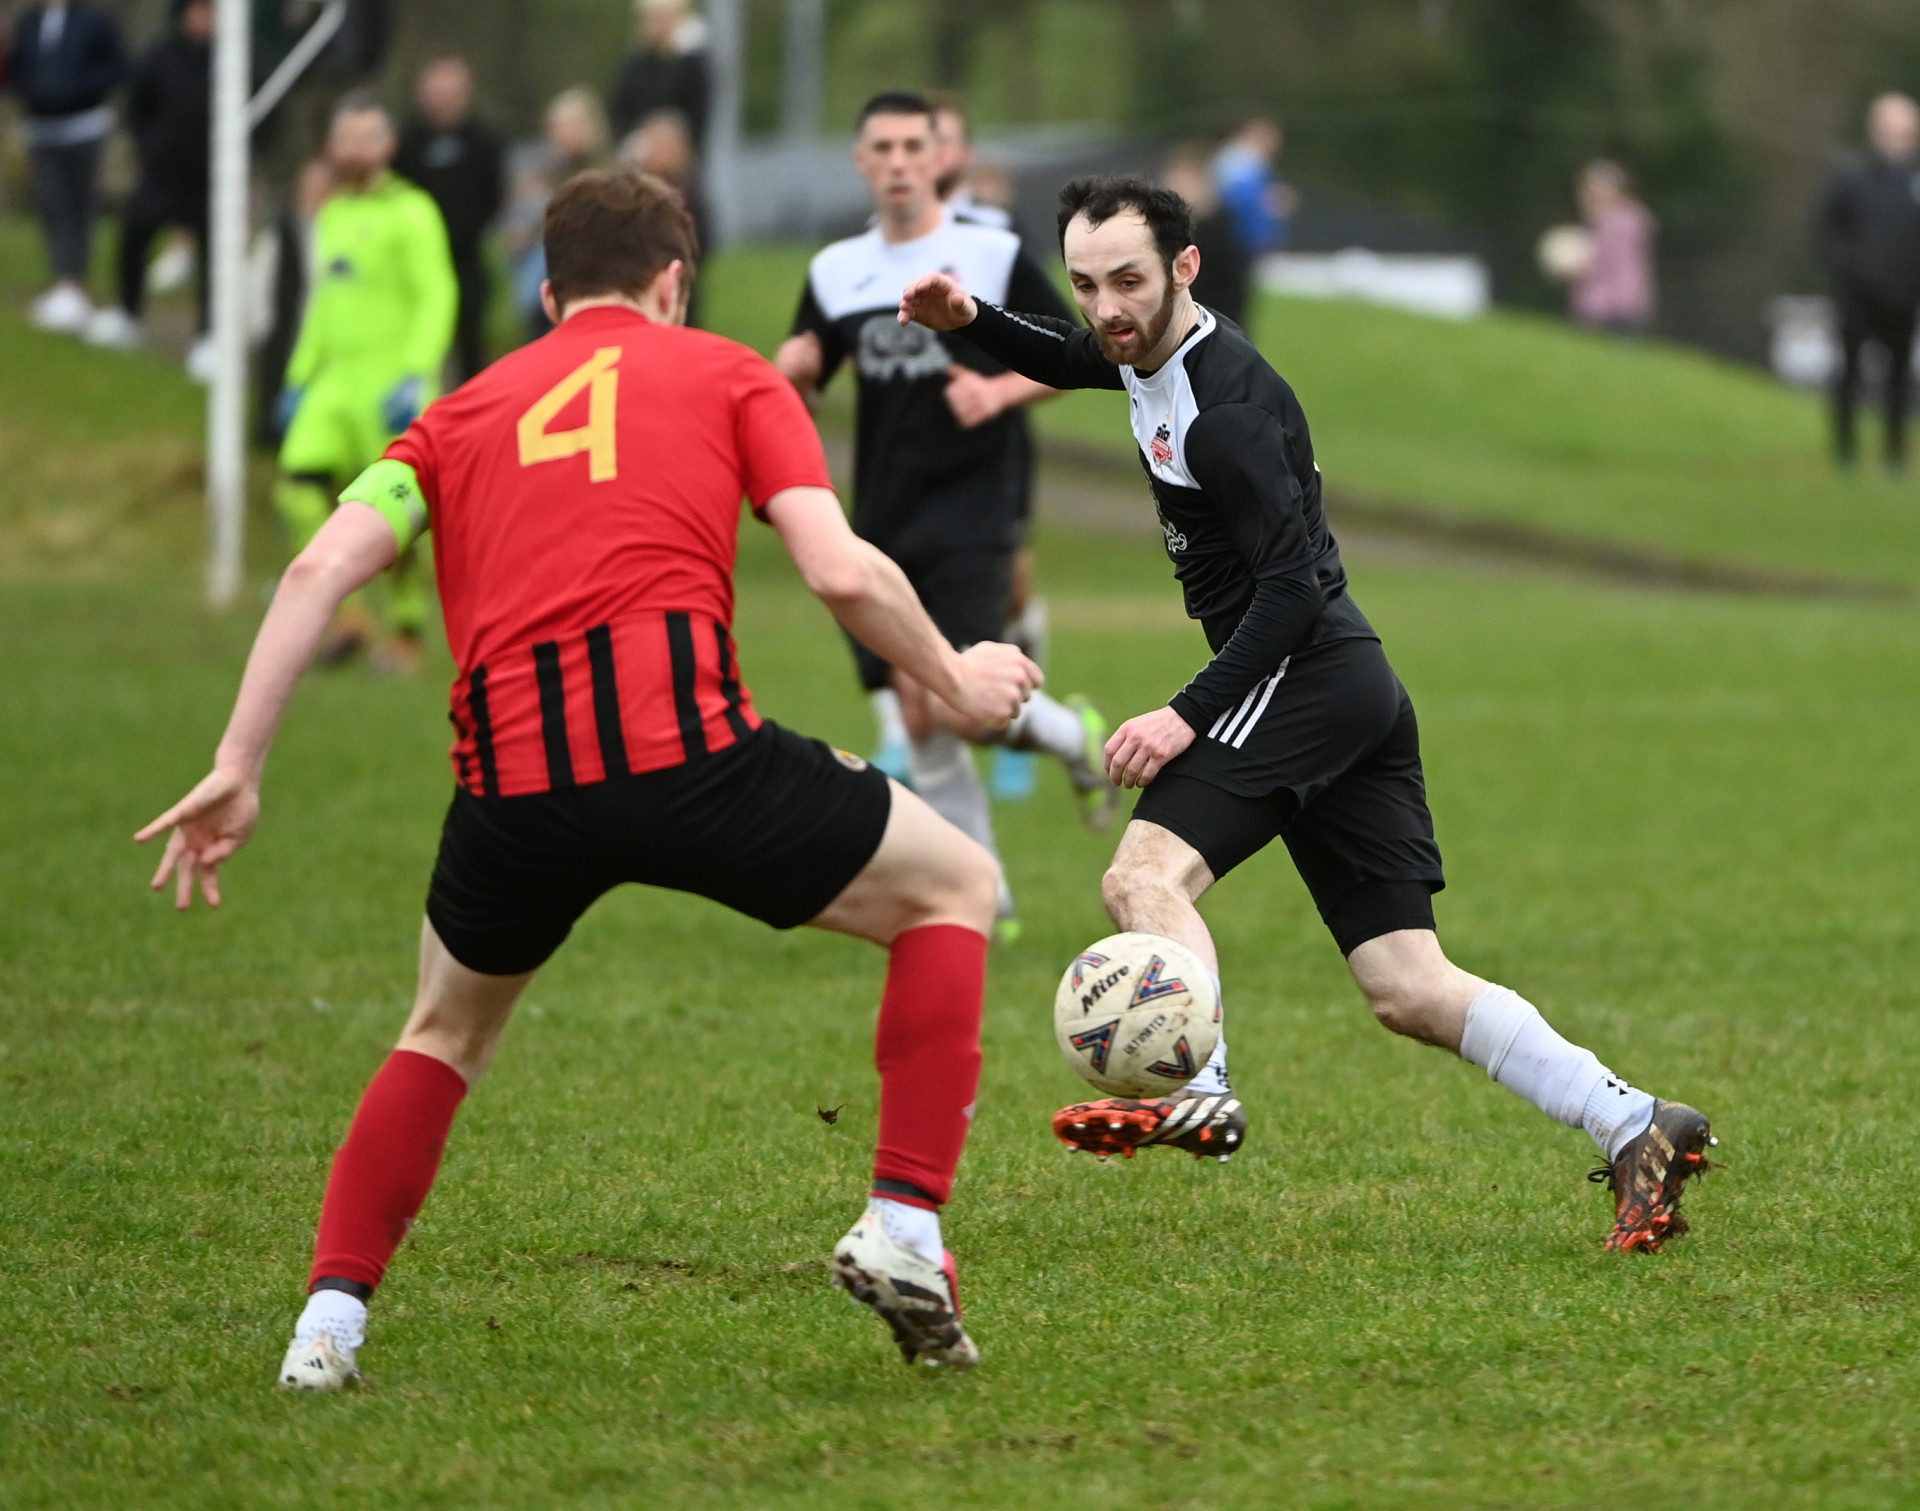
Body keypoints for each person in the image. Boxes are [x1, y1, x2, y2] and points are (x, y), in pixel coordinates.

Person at [137, 167, 1038, 1386]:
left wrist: (237, 766)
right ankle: (907, 1224)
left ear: (549, 290)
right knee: (957, 886)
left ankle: (326, 1328)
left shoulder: (455, 415)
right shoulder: (733, 373)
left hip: (514, 788)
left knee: (442, 1033)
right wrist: (959, 675)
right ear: (676, 280)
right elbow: (836, 569)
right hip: (696, 761)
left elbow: (313, 573)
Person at [898, 176, 1716, 1253]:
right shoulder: (1146, 344)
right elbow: (1073, 354)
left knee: (1141, 876)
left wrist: (1187, 714)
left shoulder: (1226, 410)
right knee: (1407, 985)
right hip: (1343, 683)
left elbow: (1289, 589)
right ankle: (1634, 1120)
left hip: (1309, 672)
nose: (1106, 307)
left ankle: (1202, 1083)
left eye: (1129, 281)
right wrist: (976, 323)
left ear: (1188, 268)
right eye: (1089, 283)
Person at [776, 91, 1119, 944]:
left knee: (962, 702)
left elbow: (1087, 354)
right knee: (917, 705)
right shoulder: (834, 271)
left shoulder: (992, 254)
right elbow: (801, 386)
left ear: (940, 158)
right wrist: (794, 372)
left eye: (911, 147)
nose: (896, 161)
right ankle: (985, 896)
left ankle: (1073, 736)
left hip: (974, 505)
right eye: (880, 147)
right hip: (882, 514)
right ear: (861, 161)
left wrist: (1000, 387)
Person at [275, 94, 457, 676]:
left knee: (399, 514)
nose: (353, 149)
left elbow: (438, 293)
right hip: (335, 385)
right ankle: (350, 613)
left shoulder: (413, 212)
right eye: (344, 138)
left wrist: (417, 370)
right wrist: (299, 377)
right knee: (296, 487)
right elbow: (323, 304)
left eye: (365, 137)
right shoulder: (332, 215)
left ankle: (408, 631)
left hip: (390, 385)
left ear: (388, 146)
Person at [83, 0, 212, 376]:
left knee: (215, 253)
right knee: (135, 233)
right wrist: (150, 146)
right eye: (198, 11)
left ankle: (209, 334)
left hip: (210, 176)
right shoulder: (161, 54)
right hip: (162, 172)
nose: (204, 20)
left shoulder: (234, 60)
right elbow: (137, 105)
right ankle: (127, 314)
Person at [7, 0, 128, 334]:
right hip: (43, 128)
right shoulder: (29, 23)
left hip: (84, 125)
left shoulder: (93, 20)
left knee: (78, 205)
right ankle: (61, 280)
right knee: (51, 204)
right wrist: (33, 92)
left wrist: (78, 89)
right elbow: (19, 68)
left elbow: (117, 65)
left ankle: (74, 283)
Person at [1816, 91, 1920, 473]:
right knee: (1849, 372)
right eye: (1892, 131)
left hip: (1904, 297)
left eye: (1907, 133)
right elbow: (1827, 230)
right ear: (1875, 131)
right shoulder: (1850, 176)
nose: (1899, 140)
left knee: (1899, 377)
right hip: (1856, 296)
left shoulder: (1915, 180)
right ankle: (1845, 452)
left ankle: (1894, 455)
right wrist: (1849, 270)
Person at [396, 55, 506, 385]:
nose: (442, 100)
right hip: (414, 261)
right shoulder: (406, 142)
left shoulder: (484, 141)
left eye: (450, 92)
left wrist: (465, 231)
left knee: (470, 342)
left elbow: (494, 196)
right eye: (436, 91)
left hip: (467, 258)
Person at [504, 86, 608, 343]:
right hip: (543, 272)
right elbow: (516, 230)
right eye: (557, 126)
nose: (563, 134)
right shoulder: (536, 167)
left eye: (571, 125)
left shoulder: (605, 170)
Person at [616, 108, 707, 327]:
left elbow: (703, 239)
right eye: (654, 145)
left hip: (677, 284)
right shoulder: (630, 191)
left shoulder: (689, 193)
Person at [1163, 144, 1251, 330]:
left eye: (1182, 180)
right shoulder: (1172, 223)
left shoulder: (1220, 226)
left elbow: (1228, 283)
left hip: (1215, 319)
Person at [1568, 159, 1656, 337]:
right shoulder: (1633, 219)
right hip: (1629, 303)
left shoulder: (1614, 223)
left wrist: (1572, 270)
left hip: (1605, 306)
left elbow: (1600, 263)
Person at [607, 0, 709, 147]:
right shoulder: (633, 66)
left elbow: (698, 114)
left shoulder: (691, 66)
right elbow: (619, 111)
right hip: (638, 147)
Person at [1211, 115, 1292, 259]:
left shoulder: (1256, 161)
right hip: (1240, 235)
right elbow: (1235, 197)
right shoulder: (1238, 159)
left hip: (1251, 234)